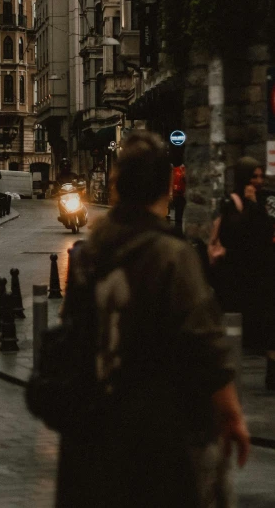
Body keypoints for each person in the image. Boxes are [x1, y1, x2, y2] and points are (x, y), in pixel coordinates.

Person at [57, 131, 249, 508]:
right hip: (156, 434)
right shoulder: (172, 255)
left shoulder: (88, 253)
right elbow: (203, 344)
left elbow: (73, 334)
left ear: (117, 188)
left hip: (93, 429)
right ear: (164, 189)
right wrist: (231, 414)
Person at [211, 157, 275, 390]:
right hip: (237, 275)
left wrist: (255, 205)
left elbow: (267, 230)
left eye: (260, 176)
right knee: (235, 326)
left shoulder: (265, 199)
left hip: (263, 271)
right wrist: (248, 207)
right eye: (253, 176)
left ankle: (271, 373)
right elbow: (232, 234)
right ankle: (227, 377)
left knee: (268, 323)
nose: (258, 181)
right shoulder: (230, 201)